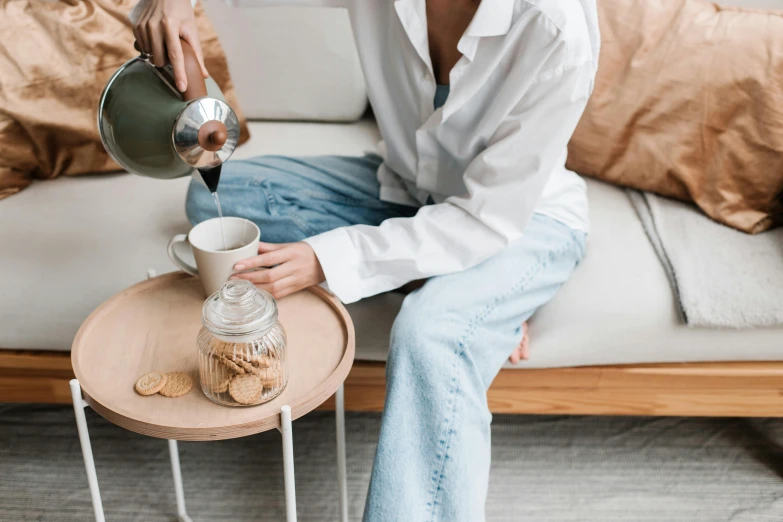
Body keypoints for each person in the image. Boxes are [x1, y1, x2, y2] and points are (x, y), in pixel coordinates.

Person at [133, 0, 599, 519]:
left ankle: (477, 297)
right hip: (409, 188)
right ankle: (472, 293)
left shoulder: (557, 25)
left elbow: (488, 219)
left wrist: (329, 259)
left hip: (521, 218)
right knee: (216, 201)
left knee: (430, 333)